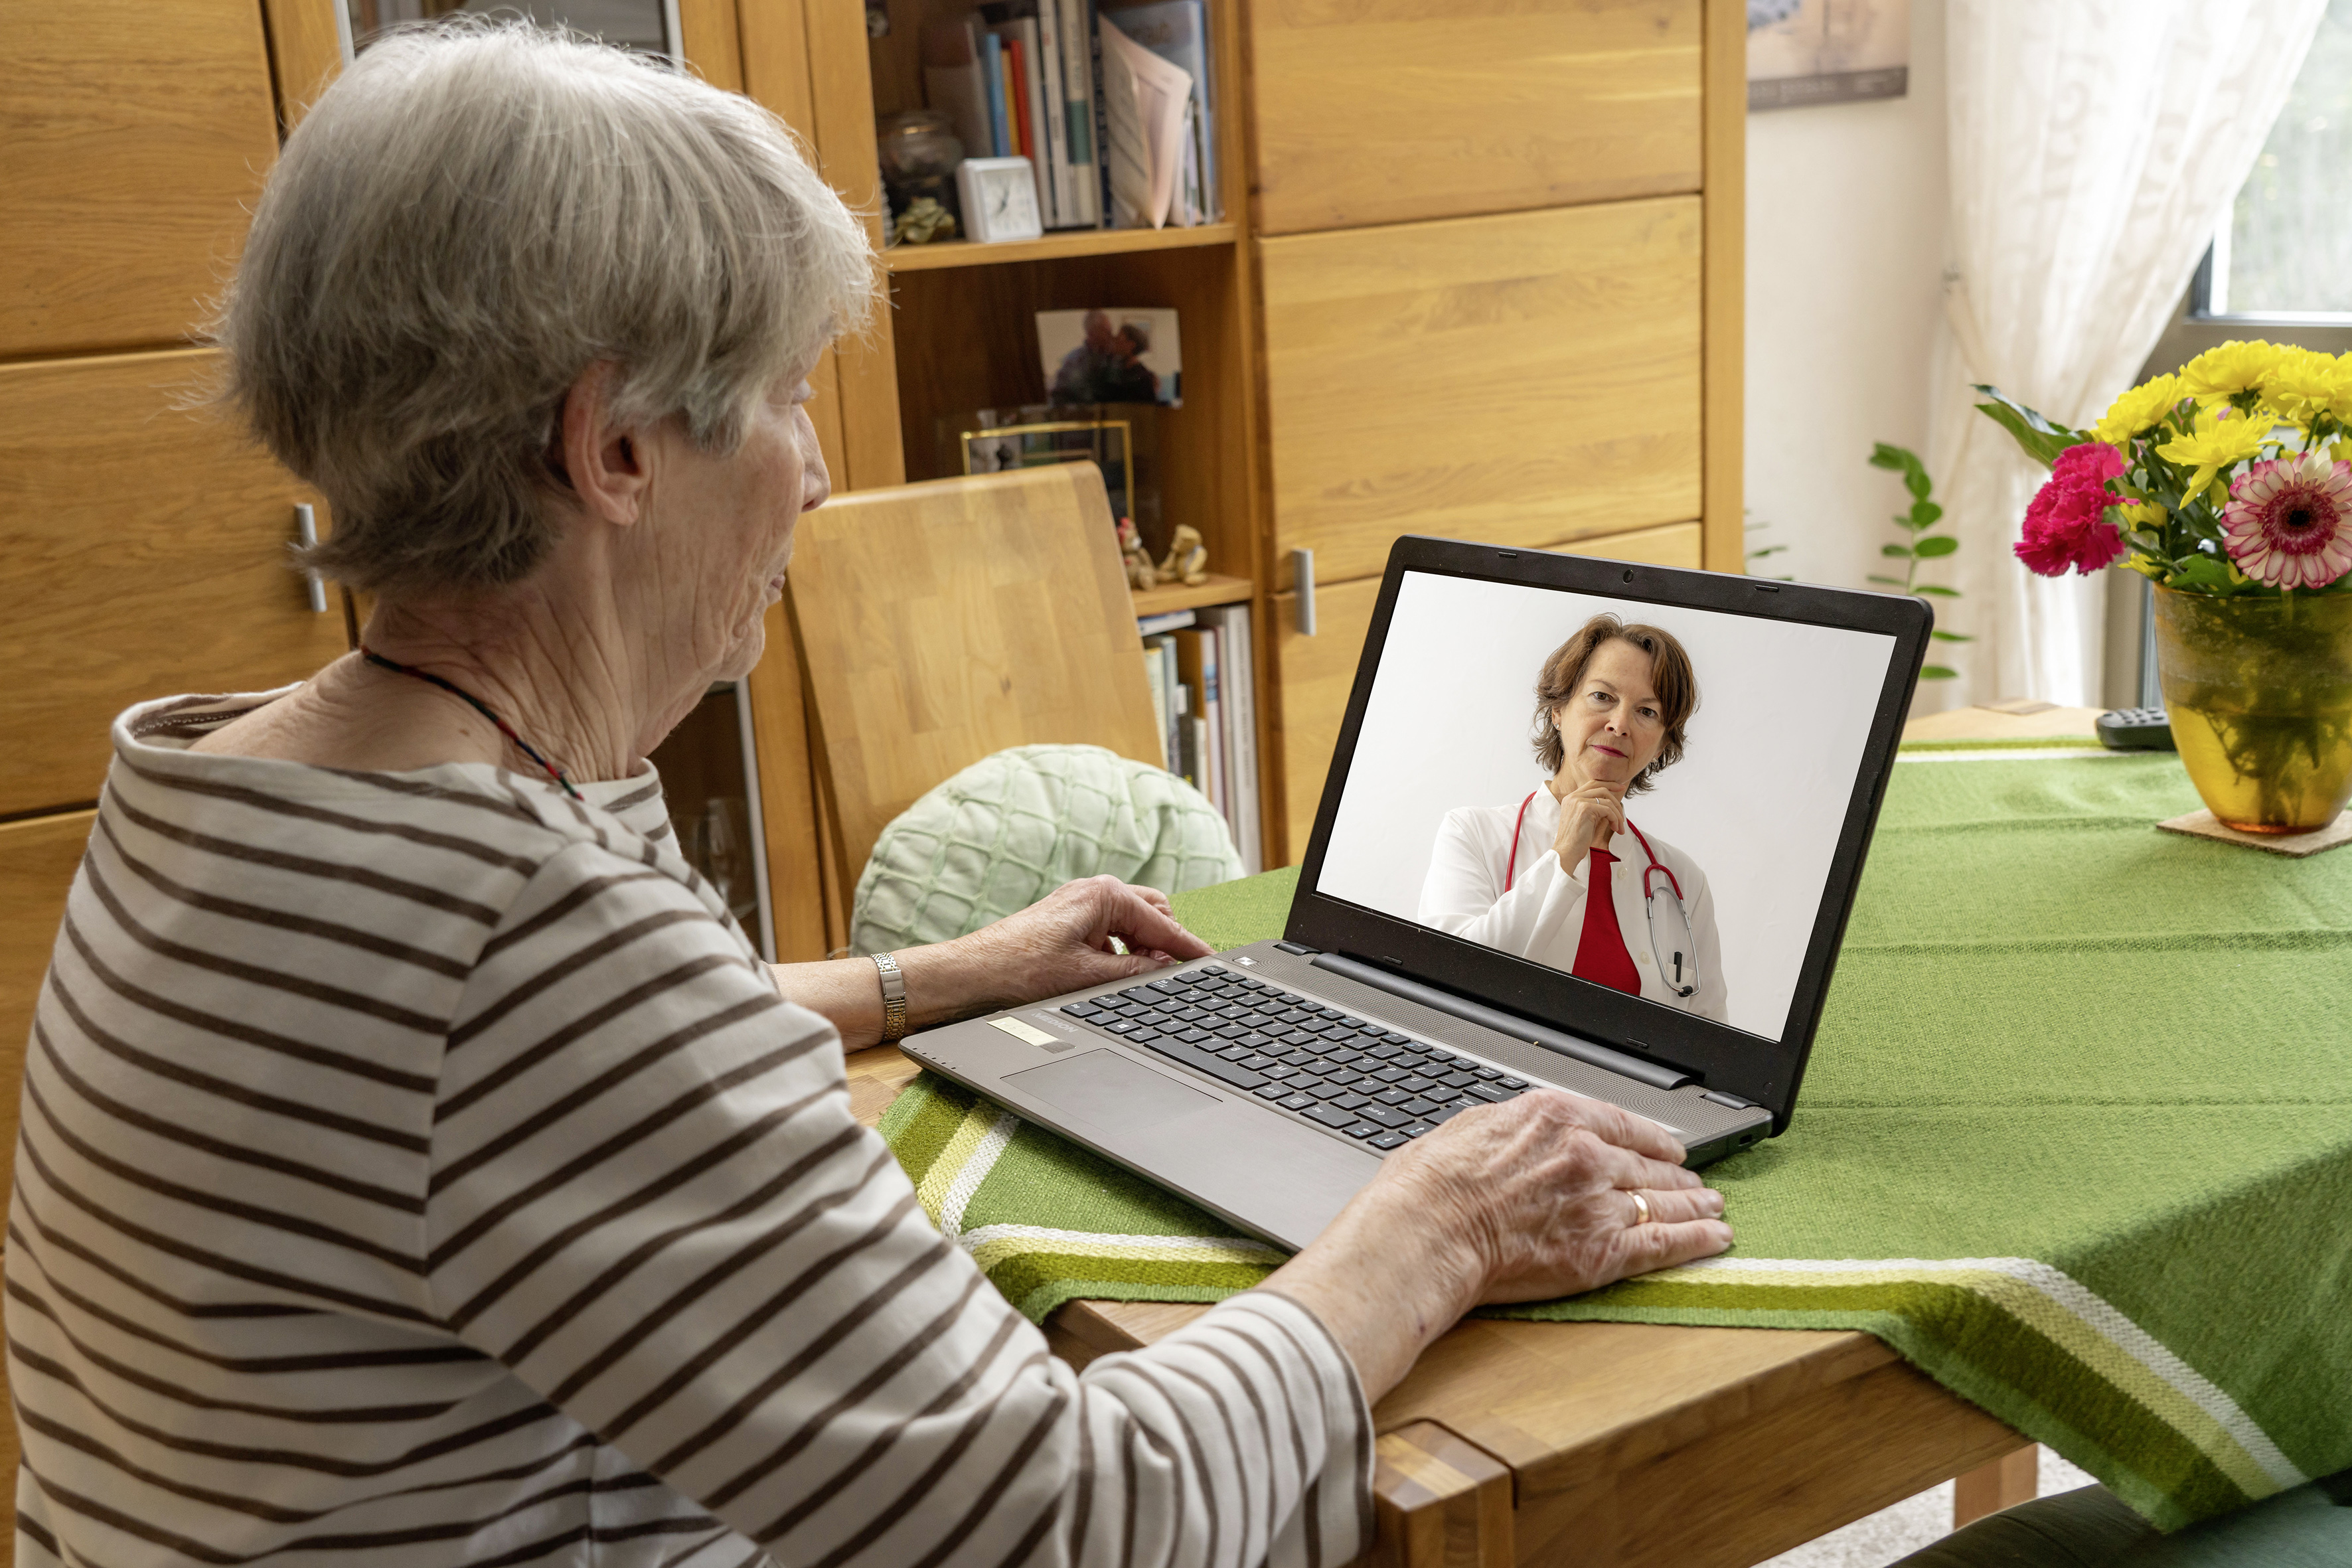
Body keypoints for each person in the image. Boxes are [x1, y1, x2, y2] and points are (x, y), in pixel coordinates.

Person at [3, 25, 1733, 1568]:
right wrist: (1423, 1230)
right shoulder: (521, 947)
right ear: (610, 450)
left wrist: (927, 980)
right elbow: (1073, 1517)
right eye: (777, 397)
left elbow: (520, 1062)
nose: (814, 471)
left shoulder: (229, 787)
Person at [1417, 615, 1729, 1021]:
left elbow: (1708, 1034)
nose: (1619, 724)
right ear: (1559, 708)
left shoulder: (1682, 880)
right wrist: (1563, 855)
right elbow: (1448, 979)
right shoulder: (1472, 834)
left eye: (1647, 712)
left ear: (1662, 744)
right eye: (1602, 697)